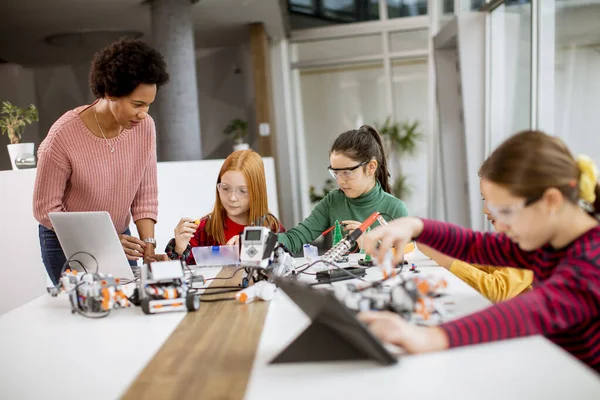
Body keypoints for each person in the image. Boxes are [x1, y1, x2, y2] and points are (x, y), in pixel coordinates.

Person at [360, 130, 600, 373]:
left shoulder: (593, 260)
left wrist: (430, 337)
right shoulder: (548, 242)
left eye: (507, 212)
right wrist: (415, 225)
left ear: (551, 201)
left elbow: (534, 310)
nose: (500, 225)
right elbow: (476, 244)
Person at [33, 38, 169, 285]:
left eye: (149, 105)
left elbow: (145, 194)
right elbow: (45, 209)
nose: (144, 113)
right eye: (137, 104)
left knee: (126, 309)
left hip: (119, 237)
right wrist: (104, 240)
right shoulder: (63, 135)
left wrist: (148, 246)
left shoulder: (145, 128)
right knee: (86, 314)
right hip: (66, 241)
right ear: (109, 92)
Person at [277, 125, 409, 254]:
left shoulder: (395, 209)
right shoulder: (333, 201)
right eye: (336, 173)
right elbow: (295, 238)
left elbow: (405, 258)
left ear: (371, 167)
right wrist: (263, 242)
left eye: (347, 172)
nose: (340, 181)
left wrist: (370, 245)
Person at [417, 178, 533, 303]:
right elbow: (486, 264)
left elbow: (497, 290)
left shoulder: (531, 243)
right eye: (485, 199)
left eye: (494, 199)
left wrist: (444, 259)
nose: (486, 210)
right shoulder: (509, 240)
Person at [165, 150, 284, 264]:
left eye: (242, 191)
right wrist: (179, 248)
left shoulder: (273, 228)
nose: (232, 197)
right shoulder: (202, 230)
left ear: (258, 192)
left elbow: (285, 268)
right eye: (225, 188)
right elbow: (178, 275)